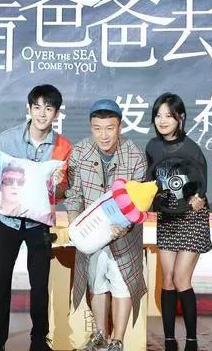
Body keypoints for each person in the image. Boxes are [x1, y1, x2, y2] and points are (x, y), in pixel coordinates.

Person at [0, 84, 72, 351]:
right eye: (37, 107)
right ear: (29, 109)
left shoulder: (63, 147)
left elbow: (63, 193)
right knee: (2, 279)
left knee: (40, 285)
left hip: (39, 225)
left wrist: (60, 183)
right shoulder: (6, 139)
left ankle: (39, 340)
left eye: (49, 108)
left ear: (56, 113)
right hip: (7, 222)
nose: (42, 114)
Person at [65, 99, 147, 351]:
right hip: (92, 233)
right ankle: (100, 335)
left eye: (110, 128)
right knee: (96, 283)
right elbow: (73, 195)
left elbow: (140, 202)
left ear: (120, 126)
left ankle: (118, 340)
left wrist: (123, 225)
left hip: (125, 234)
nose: (104, 135)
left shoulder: (135, 155)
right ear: (91, 127)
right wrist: (75, 228)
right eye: (97, 128)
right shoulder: (79, 152)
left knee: (122, 284)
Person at [145, 93, 211, 351]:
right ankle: (170, 340)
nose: (162, 121)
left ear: (180, 118)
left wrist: (199, 198)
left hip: (191, 217)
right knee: (168, 279)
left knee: (182, 278)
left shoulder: (191, 148)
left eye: (169, 116)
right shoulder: (152, 147)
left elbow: (202, 183)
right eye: (158, 115)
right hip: (168, 216)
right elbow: (150, 181)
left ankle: (191, 341)